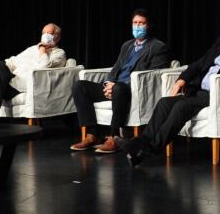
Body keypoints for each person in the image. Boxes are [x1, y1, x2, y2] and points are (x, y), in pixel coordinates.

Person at [120, 6, 220, 167]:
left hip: (219, 95)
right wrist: (182, 80)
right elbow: (199, 63)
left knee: (181, 106)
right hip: (200, 92)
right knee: (164, 103)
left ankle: (149, 148)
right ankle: (139, 146)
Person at [70, 10, 170, 154]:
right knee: (79, 86)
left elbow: (153, 75)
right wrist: (107, 84)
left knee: (119, 88)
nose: (137, 26)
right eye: (135, 23)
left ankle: (114, 137)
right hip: (114, 88)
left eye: (141, 23)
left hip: (132, 90)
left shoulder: (158, 47)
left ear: (149, 26)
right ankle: (93, 134)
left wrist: (116, 86)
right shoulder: (127, 45)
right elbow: (116, 67)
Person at [0, 23, 66, 117]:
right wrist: (1, 67)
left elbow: (44, 67)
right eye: (43, 33)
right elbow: (14, 61)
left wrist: (42, 50)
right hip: (10, 81)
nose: (45, 35)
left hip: (25, 87)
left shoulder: (59, 53)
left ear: (57, 37)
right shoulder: (32, 49)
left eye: (49, 33)